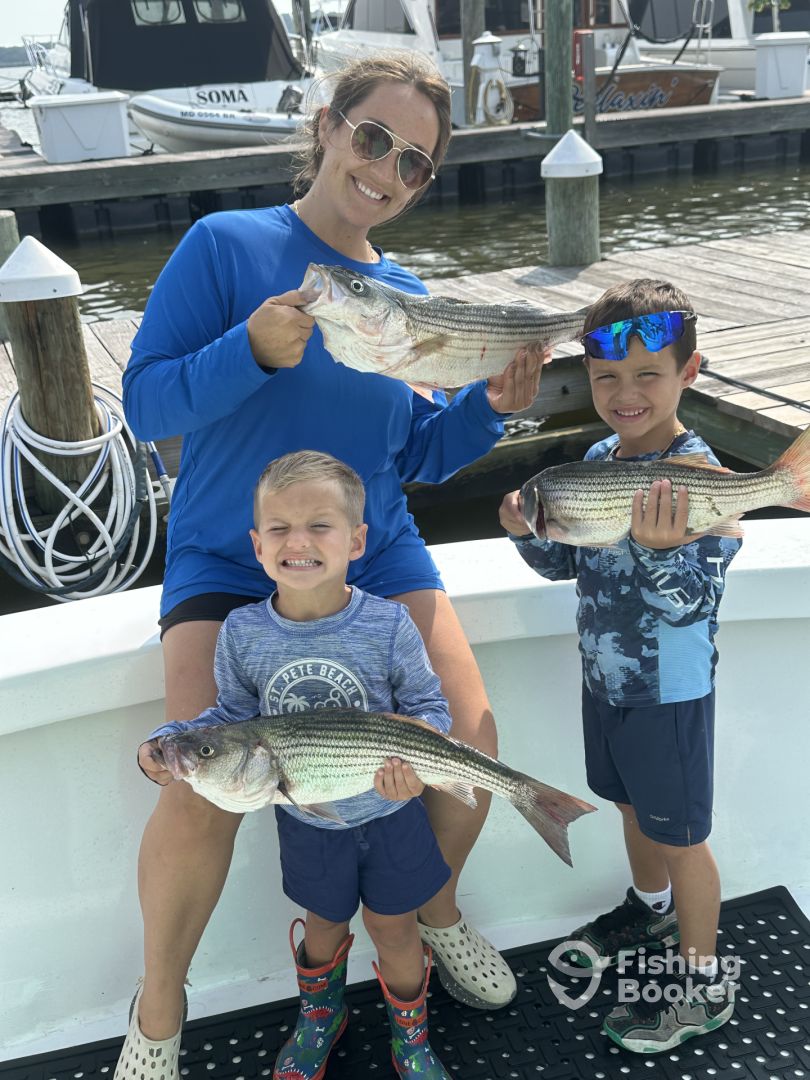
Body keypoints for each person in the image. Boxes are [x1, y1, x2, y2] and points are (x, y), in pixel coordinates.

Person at [117, 51, 548, 1076]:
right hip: (233, 553)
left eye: (414, 162)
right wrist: (248, 352)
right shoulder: (226, 246)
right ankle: (159, 1008)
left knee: (470, 738)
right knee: (198, 783)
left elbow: (419, 453)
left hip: (374, 547)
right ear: (326, 126)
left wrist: (490, 406)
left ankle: (432, 911)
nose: (387, 171)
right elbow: (143, 401)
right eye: (373, 138)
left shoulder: (407, 293)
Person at [130, 451, 455, 1079]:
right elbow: (228, 717)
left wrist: (416, 764)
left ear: (356, 541)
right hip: (308, 822)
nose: (297, 542)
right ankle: (320, 1018)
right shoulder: (241, 631)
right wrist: (170, 741)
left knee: (396, 929)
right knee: (322, 927)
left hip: (391, 814)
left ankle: (412, 1037)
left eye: (319, 526)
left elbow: (429, 709)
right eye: (279, 529)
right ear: (257, 545)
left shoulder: (389, 622)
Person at [498, 279, 742, 1054]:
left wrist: (664, 552)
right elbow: (565, 564)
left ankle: (704, 986)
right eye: (607, 377)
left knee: (682, 836)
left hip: (668, 692)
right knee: (630, 806)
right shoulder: (598, 460)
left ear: (688, 372)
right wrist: (527, 529)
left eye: (647, 374)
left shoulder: (702, 472)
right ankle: (651, 907)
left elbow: (695, 601)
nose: (625, 393)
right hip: (603, 680)